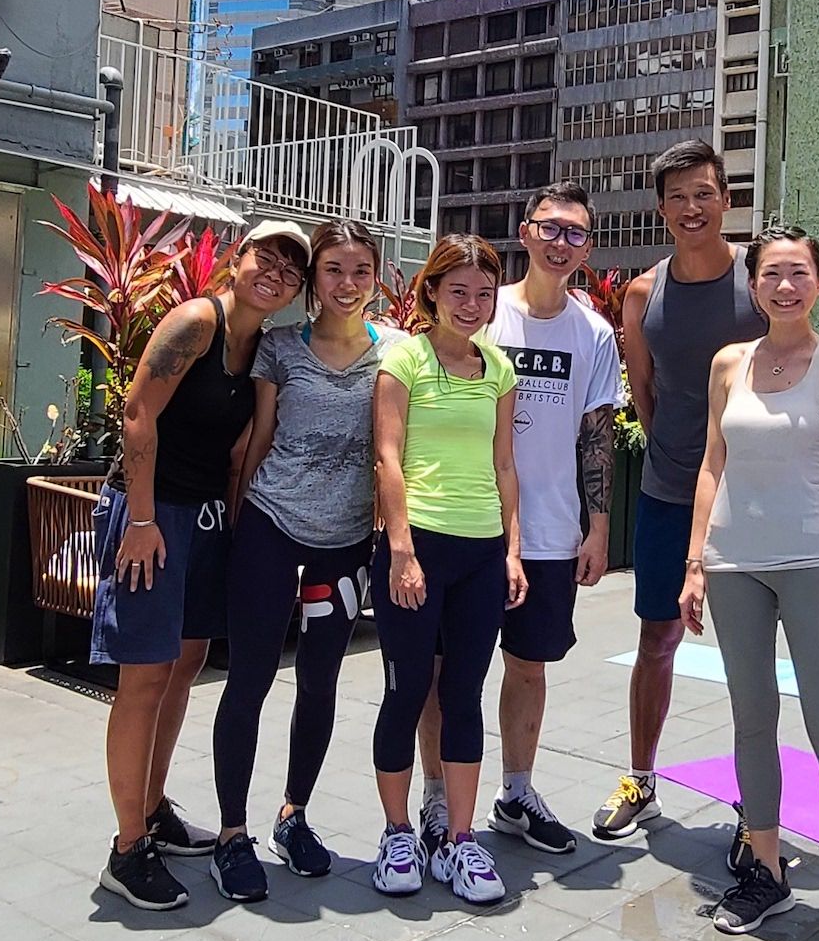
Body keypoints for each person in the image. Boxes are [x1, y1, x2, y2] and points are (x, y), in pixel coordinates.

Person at [677, 225, 819, 941]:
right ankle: (765, 868)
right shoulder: (728, 363)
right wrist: (696, 561)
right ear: (754, 285)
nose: (784, 287)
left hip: (811, 562)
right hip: (734, 562)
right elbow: (713, 462)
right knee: (750, 717)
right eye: (771, 275)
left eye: (798, 273)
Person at [91, 219, 309, 911]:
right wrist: (145, 520)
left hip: (205, 517)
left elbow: (240, 451)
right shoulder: (196, 321)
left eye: (291, 267)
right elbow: (136, 414)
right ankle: (127, 850)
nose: (275, 272)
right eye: (264, 257)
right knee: (145, 676)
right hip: (153, 516)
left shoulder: (263, 348)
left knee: (185, 664)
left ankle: (152, 809)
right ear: (235, 262)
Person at [412, 183, 621, 859]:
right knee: (447, 673)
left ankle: (516, 791)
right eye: (550, 229)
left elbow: (597, 435)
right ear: (525, 233)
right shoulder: (481, 311)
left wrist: (598, 528)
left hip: (553, 533)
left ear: (588, 248)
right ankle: (440, 797)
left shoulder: (593, 333)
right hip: (464, 528)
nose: (562, 244)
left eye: (576, 234)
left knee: (529, 666)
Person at [207, 220, 406, 902]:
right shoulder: (280, 348)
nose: (346, 285)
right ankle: (231, 836)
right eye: (332, 271)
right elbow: (255, 443)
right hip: (270, 529)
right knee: (250, 682)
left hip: (346, 544)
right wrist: (236, 529)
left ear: (375, 277)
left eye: (360, 271)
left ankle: (294, 815)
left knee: (319, 684)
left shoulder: (397, 353)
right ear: (313, 281)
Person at [602, 139, 766, 843]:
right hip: (671, 494)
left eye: (705, 193)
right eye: (677, 197)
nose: (692, 208)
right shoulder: (644, 294)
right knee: (657, 640)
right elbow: (645, 395)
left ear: (725, 198)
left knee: (751, 656)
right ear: (661, 207)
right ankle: (641, 779)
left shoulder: (762, 280)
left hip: (756, 498)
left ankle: (754, 802)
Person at [371, 235, 526, 904]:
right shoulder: (403, 358)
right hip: (419, 547)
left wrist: (513, 550)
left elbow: (503, 465)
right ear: (431, 292)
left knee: (463, 695)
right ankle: (399, 832)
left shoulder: (498, 367)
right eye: (457, 290)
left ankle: (460, 842)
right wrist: (401, 549)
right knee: (406, 695)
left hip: (480, 550)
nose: (471, 304)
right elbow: (387, 457)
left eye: (484, 293)